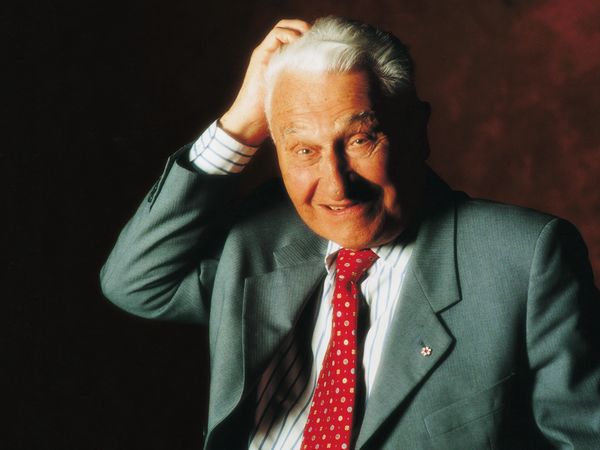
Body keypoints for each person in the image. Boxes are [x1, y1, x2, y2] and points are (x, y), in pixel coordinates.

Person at [100, 16, 600, 449]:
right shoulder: (261, 237)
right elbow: (136, 282)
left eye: (360, 140)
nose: (336, 185)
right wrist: (238, 128)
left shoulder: (523, 258)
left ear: (417, 130)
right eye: (304, 150)